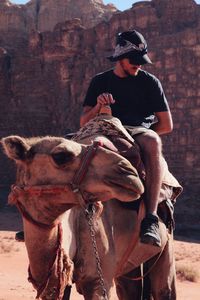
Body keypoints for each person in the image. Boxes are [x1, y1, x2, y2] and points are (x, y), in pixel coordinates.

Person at [80, 30, 173, 247]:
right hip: (106, 127)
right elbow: (84, 122)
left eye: (142, 61)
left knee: (153, 141)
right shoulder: (99, 81)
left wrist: (139, 136)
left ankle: (150, 219)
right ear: (121, 58)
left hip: (138, 130)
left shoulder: (151, 82)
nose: (139, 65)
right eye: (134, 61)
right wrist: (98, 107)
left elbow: (166, 125)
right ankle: (49, 214)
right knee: (67, 149)